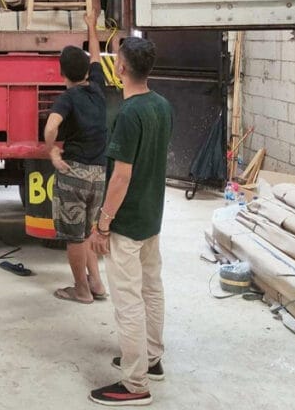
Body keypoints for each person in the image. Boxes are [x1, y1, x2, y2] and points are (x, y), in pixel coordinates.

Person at [88, 37, 173, 407]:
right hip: (152, 216)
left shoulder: (128, 113)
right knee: (151, 289)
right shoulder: (162, 106)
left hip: (127, 222)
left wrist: (103, 223)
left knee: (128, 301)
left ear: (121, 68)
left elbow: (120, 177)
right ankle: (151, 359)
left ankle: (136, 384)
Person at [44, 11, 109, 304]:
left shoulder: (67, 97)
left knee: (73, 236)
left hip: (74, 176)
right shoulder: (97, 87)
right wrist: (91, 27)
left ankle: (80, 290)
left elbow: (51, 127)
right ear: (86, 70)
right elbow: (96, 55)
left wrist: (52, 151)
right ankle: (96, 283)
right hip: (99, 176)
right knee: (86, 232)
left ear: (63, 74)